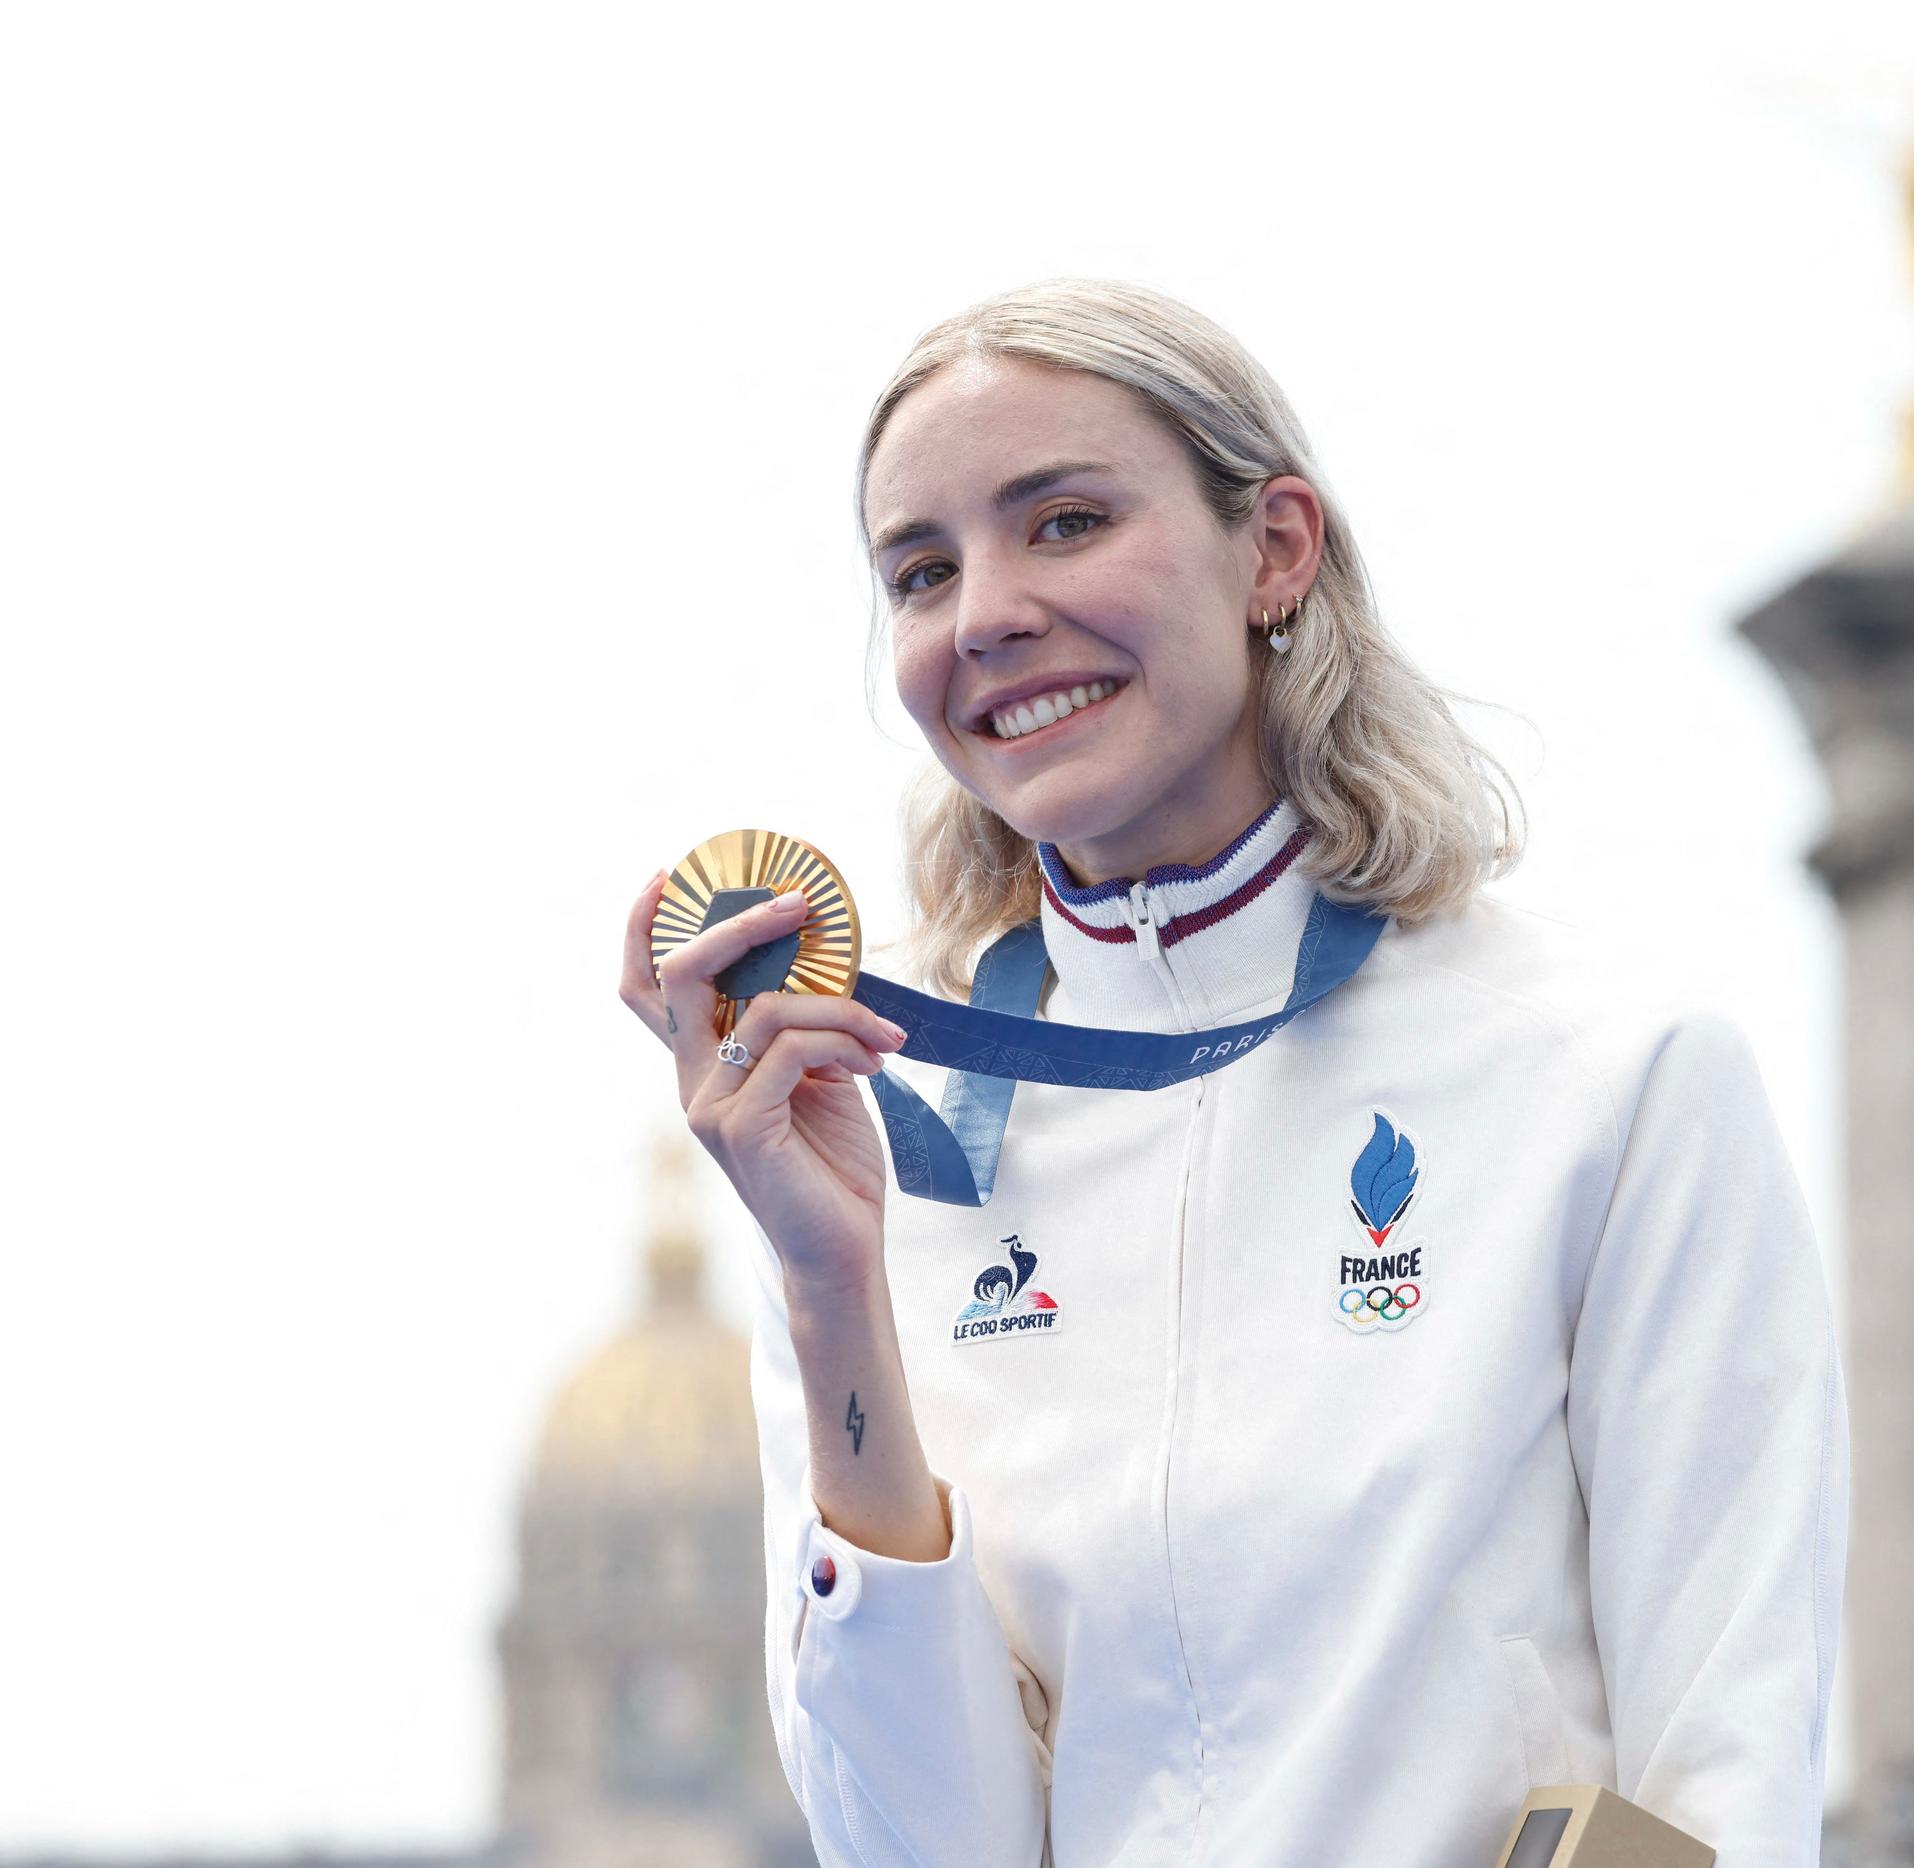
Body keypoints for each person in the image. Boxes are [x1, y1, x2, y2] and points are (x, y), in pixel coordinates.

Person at [616, 276, 1850, 1868]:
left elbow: (1727, 1776)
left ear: (1275, 548)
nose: (984, 607)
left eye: (1062, 522)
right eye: (921, 572)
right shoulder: (869, 1152)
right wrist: (830, 1280)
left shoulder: (1609, 1077)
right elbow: (933, 1852)